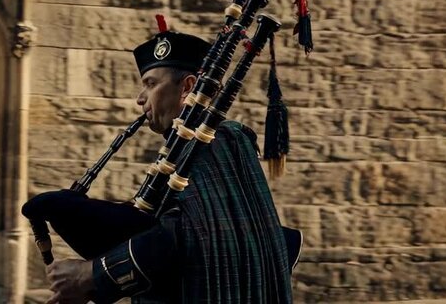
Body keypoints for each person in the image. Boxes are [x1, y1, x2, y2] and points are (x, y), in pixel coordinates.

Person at [38, 28, 296, 304]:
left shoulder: (214, 142)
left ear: (187, 88)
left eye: (150, 84)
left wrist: (90, 275)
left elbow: (184, 236)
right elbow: (163, 228)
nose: (140, 98)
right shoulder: (194, 148)